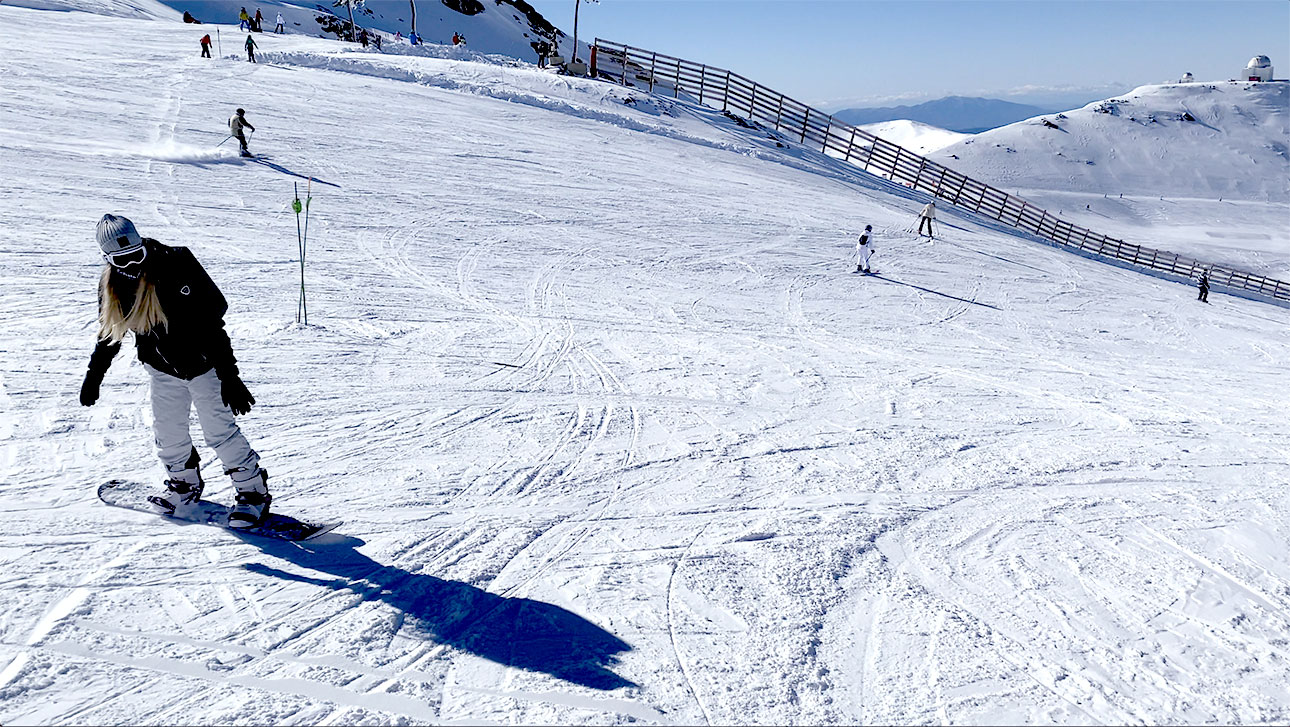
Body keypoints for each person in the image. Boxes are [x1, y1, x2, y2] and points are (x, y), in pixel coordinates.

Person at [79, 215, 272, 527]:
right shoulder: (112, 286)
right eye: (121, 261)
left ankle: (252, 492)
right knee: (168, 433)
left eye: (136, 256)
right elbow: (109, 334)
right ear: (107, 260)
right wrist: (94, 376)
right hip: (162, 371)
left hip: (203, 366)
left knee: (219, 432)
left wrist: (229, 376)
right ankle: (183, 485)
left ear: (142, 245)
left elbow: (212, 324)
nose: (131, 265)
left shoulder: (175, 264)